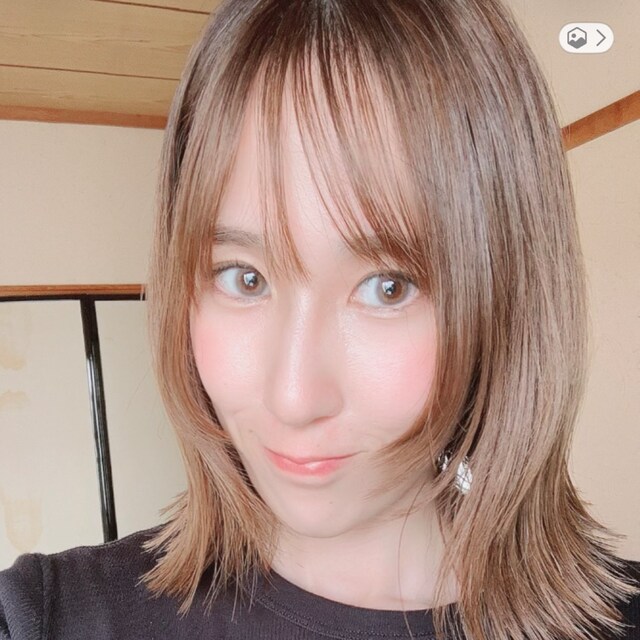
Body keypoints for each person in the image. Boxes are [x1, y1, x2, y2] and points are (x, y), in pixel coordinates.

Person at [1, 0, 639, 638]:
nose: (294, 398)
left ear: (508, 301)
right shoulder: (49, 617)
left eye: (388, 287)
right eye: (244, 277)